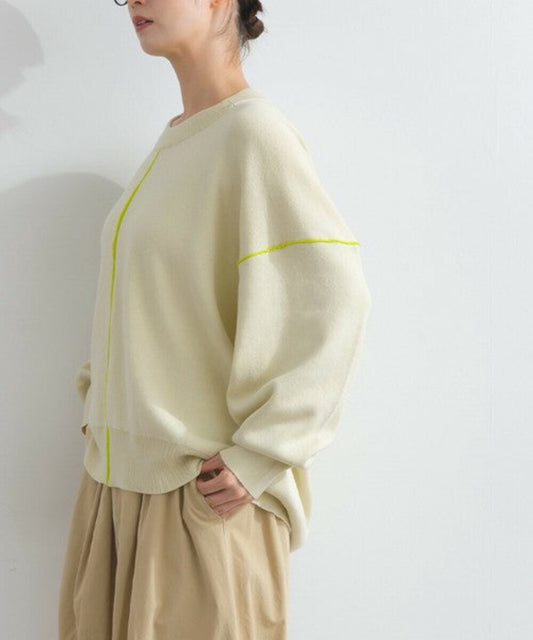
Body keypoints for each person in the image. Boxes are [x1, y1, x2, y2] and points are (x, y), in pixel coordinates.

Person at [58, 0, 372, 638]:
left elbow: (334, 298)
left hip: (197, 503)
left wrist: (262, 455)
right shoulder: (179, 140)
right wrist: (100, 407)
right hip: (119, 492)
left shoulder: (254, 135)